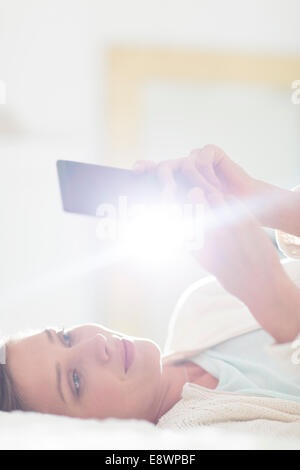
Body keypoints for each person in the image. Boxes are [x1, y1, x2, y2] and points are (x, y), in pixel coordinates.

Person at [1, 145, 300, 433]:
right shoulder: (201, 440)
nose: (96, 345)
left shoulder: (201, 306)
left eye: (66, 338)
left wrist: (270, 204)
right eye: (75, 381)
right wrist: (274, 301)